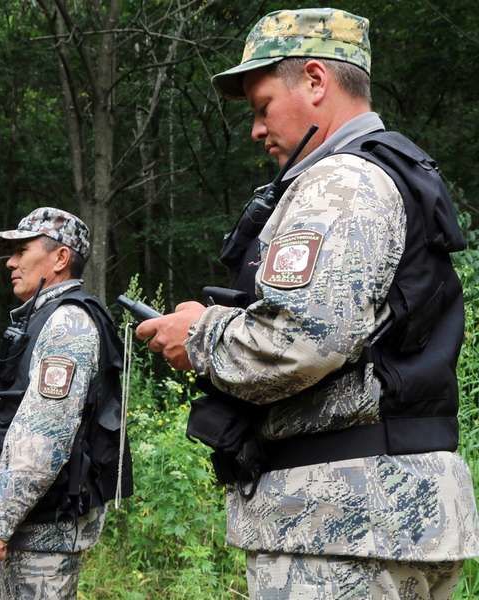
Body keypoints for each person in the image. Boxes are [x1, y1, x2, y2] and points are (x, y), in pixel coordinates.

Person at [136, 8, 479, 599]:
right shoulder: (398, 172)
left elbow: (300, 340)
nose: (256, 130)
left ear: (316, 80)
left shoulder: (339, 182)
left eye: (262, 106)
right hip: (399, 511)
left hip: (335, 525)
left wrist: (197, 334)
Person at [0, 207, 132, 599]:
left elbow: (44, 437)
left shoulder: (67, 324)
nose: (10, 262)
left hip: (43, 530)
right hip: (29, 525)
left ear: (60, 257)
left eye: (21, 250)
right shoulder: (41, 318)